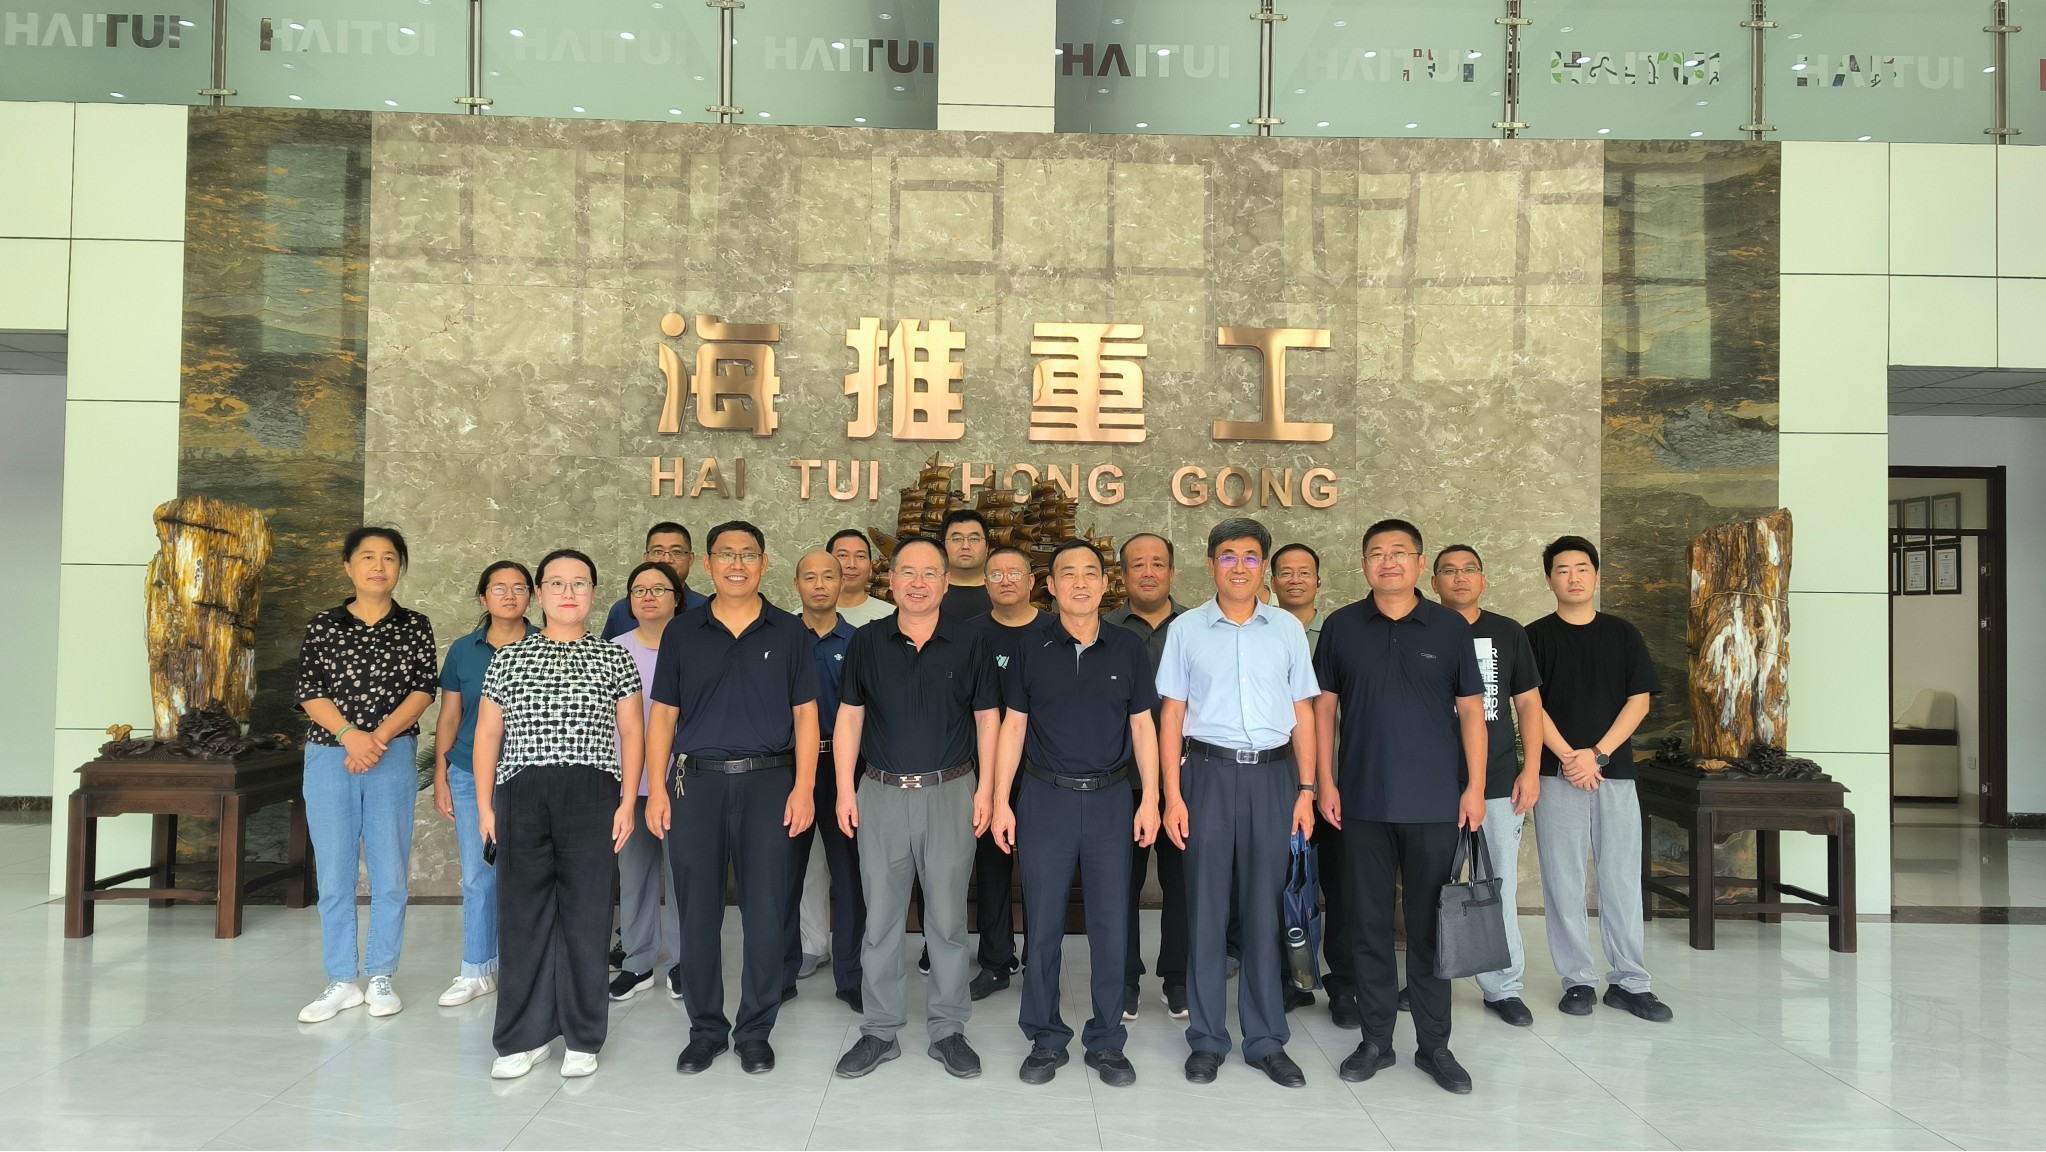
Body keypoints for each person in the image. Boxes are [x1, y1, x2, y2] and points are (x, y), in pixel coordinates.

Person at [1313, 519, 1488, 1096]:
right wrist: (1324, 782)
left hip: (1435, 803)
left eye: (1398, 552)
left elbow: (1472, 711)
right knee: (1366, 926)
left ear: (1418, 563)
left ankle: (1435, 1046)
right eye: (1376, 553)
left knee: (1430, 929)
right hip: (1360, 802)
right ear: (1364, 564)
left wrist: (1474, 787)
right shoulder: (1341, 626)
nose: (1387, 562)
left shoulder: (1451, 627)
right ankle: (1376, 1041)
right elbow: (1323, 711)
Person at [645, 522, 820, 1076]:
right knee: (696, 910)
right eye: (726, 554)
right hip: (695, 785)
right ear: (707, 564)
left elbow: (806, 716)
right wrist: (655, 789)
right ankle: (705, 1030)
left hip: (770, 783)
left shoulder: (789, 631)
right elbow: (663, 716)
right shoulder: (682, 631)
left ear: (764, 564)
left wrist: (804, 788)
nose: (737, 564)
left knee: (766, 910)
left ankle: (755, 1030)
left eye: (748, 555)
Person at [991, 539, 1160, 1088]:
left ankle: (1107, 1040)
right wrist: (1000, 801)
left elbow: (1143, 727)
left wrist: (1150, 799)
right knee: (1042, 926)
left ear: (1106, 584)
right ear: (1051, 586)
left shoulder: (1128, 648)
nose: (1080, 583)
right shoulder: (1031, 648)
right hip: (1046, 799)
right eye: (1069, 573)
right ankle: (1044, 1036)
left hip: (1112, 799)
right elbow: (1012, 726)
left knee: (1112, 925)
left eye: (1091, 573)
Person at [831, 536, 1001, 1081]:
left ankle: (948, 1029)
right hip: (880, 793)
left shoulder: (970, 642)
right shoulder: (867, 641)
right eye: (908, 572)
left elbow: (988, 719)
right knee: (880, 919)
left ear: (946, 582)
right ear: (891, 581)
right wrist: (844, 789)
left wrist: (986, 791)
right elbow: (850, 717)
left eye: (930, 573)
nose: (919, 583)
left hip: (951, 792)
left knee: (947, 921)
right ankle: (879, 1030)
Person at [1157, 518, 1319, 1088]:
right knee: (1205, 911)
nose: (1240, 566)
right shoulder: (1186, 629)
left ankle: (1266, 1039)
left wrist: (1307, 790)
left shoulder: (1287, 630)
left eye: (1251, 557)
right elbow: (1172, 715)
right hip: (1206, 775)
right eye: (1228, 556)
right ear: (1211, 565)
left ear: (1263, 566)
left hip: (1274, 779)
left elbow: (1303, 713)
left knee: (1263, 911)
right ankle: (1206, 1039)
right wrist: (1171, 796)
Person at [472, 549, 644, 1080]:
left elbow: (632, 732)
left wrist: (627, 801)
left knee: (587, 917)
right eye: (557, 583)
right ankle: (522, 1038)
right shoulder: (509, 658)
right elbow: (488, 734)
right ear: (539, 593)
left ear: (594, 593)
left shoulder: (614, 658)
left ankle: (582, 1036)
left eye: (580, 584)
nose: (568, 594)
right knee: (522, 917)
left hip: (593, 793)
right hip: (521, 793)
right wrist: (485, 806)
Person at [295, 527, 439, 1025]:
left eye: (390, 558)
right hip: (329, 756)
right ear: (348, 566)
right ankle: (341, 979)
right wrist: (349, 735)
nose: (379, 566)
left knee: (389, 870)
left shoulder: (415, 625)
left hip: (391, 755)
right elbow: (310, 691)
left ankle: (380, 975)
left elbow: (423, 690)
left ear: (400, 567)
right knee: (334, 873)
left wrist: (375, 739)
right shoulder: (323, 625)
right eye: (368, 557)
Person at [1527, 535, 1673, 1025]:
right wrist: (1571, 757)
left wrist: (1598, 755)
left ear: (1596, 576)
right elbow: (1530, 706)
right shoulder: (1534, 637)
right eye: (1562, 569)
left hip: (1615, 775)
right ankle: (1578, 980)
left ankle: (1631, 982)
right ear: (1549, 580)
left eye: (1582, 568)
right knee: (1563, 881)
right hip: (1556, 774)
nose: (1573, 577)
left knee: (1621, 878)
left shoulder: (1623, 634)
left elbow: (1639, 701)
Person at [1430, 545, 1544, 1028]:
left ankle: (1503, 987)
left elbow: (1529, 705)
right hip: (1431, 781)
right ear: (1433, 581)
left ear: (1484, 579)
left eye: (1469, 570)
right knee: (1428, 888)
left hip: (1497, 781)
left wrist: (1530, 769)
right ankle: (1426, 982)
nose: (1460, 578)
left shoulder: (1508, 632)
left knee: (1495, 886)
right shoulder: (1423, 628)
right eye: (1449, 571)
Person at [430, 560, 533, 1009]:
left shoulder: (546, 645)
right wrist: (440, 773)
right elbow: (450, 717)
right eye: (499, 588)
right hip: (470, 774)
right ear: (483, 597)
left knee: (528, 873)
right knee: (478, 875)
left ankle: (523, 968)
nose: (509, 595)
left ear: (532, 596)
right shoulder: (463, 651)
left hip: (529, 773)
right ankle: (476, 969)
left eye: (519, 587)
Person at [1105, 532, 1189, 1022]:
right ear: (1123, 575)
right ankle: (1125, 979)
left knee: (1184, 885)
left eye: (1158, 563)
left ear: (1172, 572)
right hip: (1122, 780)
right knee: (1121, 885)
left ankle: (1177, 978)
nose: (1149, 572)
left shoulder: (1198, 627)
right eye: (1138, 564)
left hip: (1186, 781)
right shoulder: (1106, 629)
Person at [1268, 542, 1353, 1023]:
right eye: (1286, 572)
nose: (1295, 579)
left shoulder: (1339, 633)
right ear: (1272, 581)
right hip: (1280, 782)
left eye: (1305, 572)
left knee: (1342, 888)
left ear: (1318, 581)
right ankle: (1292, 980)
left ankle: (1343, 985)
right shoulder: (1260, 630)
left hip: (1337, 782)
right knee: (1284, 887)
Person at [963, 545, 1048, 999]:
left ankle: (1039, 958)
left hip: (1042, 771)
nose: (1006, 581)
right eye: (996, 575)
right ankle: (995, 961)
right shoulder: (970, 635)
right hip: (986, 772)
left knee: (1040, 868)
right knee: (991, 867)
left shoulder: (1054, 631)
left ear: (1032, 581)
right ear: (985, 583)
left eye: (1015, 573)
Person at [785, 549, 866, 1015]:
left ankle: (850, 976)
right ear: (796, 584)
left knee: (849, 876)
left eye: (829, 576)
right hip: (789, 769)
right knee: (783, 875)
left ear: (842, 584)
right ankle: (781, 972)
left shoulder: (860, 642)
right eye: (810, 577)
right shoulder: (778, 638)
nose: (819, 585)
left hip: (845, 768)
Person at [608, 561, 687, 1002]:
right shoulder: (613, 650)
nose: (649, 596)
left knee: (683, 876)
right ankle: (638, 962)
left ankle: (683, 963)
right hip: (628, 785)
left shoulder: (695, 644)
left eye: (659, 589)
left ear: (677, 598)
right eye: (639, 590)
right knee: (634, 875)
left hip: (683, 781)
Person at [601, 522, 707, 640]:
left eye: (676, 552)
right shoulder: (622, 610)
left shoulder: (707, 609)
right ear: (646, 558)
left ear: (690, 559)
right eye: (657, 552)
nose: (666, 560)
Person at [830, 528, 894, 626]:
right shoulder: (807, 615)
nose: (851, 564)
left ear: (870, 568)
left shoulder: (893, 617)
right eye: (842, 555)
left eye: (860, 556)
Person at [938, 508, 993, 620]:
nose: (966, 546)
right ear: (943, 547)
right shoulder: (928, 591)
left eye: (974, 539)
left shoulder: (1003, 590)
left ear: (987, 547)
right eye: (957, 539)